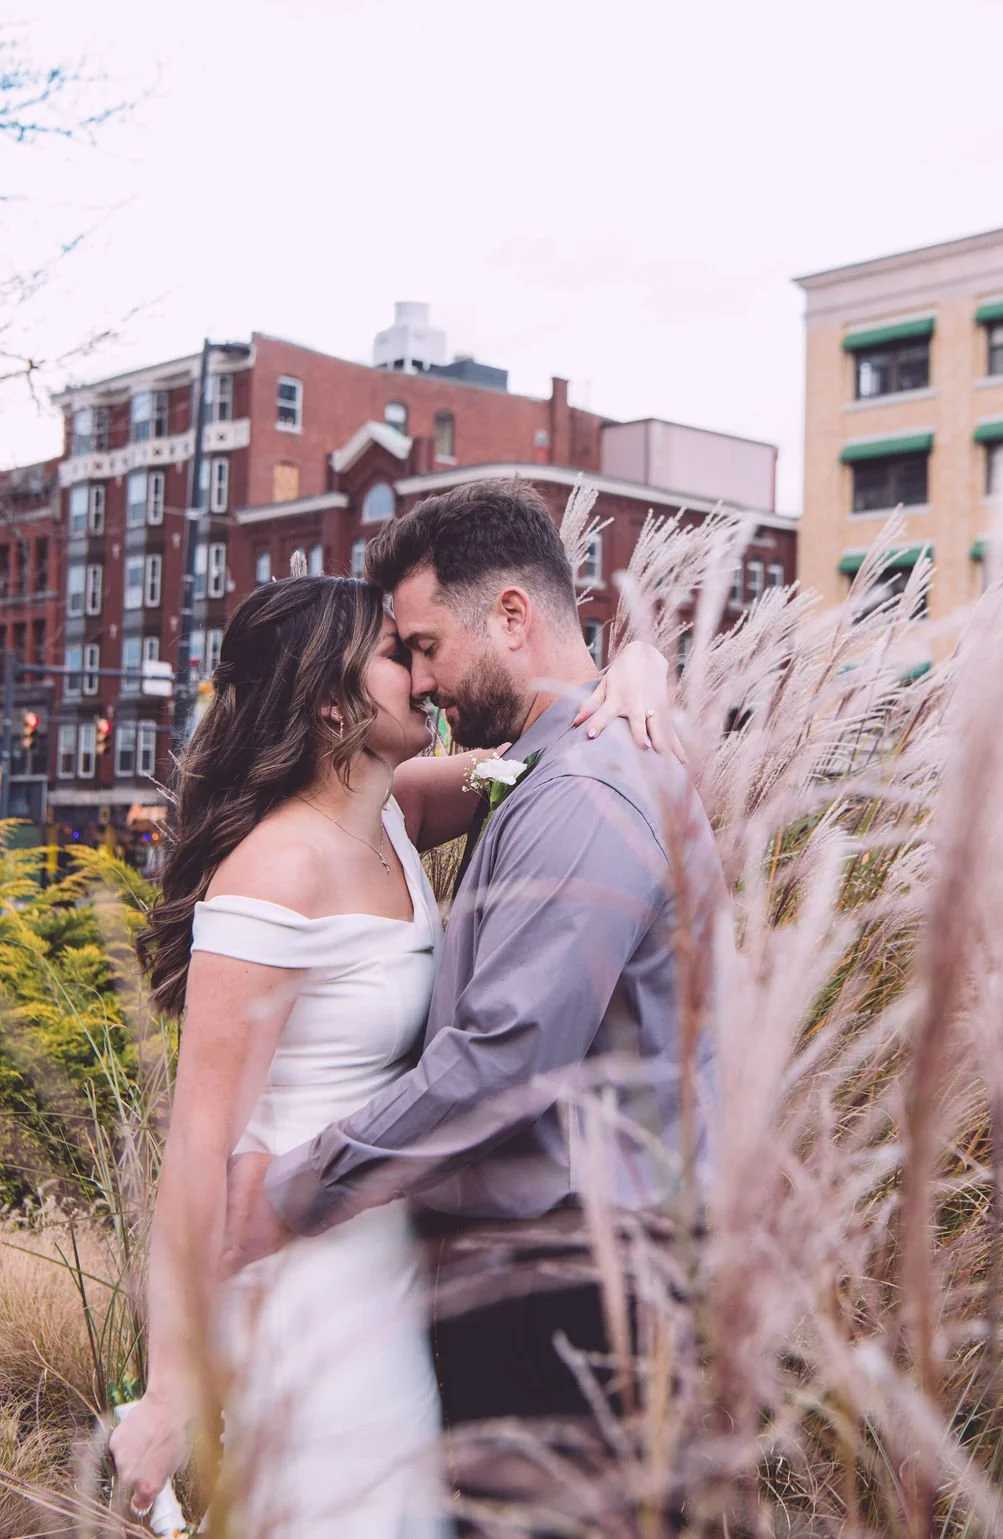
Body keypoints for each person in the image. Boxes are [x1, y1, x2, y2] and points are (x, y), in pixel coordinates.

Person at [109, 552, 681, 1536]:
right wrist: (168, 1387)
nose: (421, 678)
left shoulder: (394, 812)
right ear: (328, 705)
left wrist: (640, 671)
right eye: (393, 655)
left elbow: (555, 745)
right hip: (303, 1272)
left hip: (391, 1251)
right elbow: (197, 1150)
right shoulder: (276, 872)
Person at [222, 480, 728, 1524]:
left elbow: (500, 1061)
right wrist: (632, 656)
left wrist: (289, 1192)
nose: (418, 677)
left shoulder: (582, 789)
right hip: (523, 1284)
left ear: (509, 616)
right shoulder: (532, 770)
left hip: (573, 1291)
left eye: (423, 645)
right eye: (397, 655)